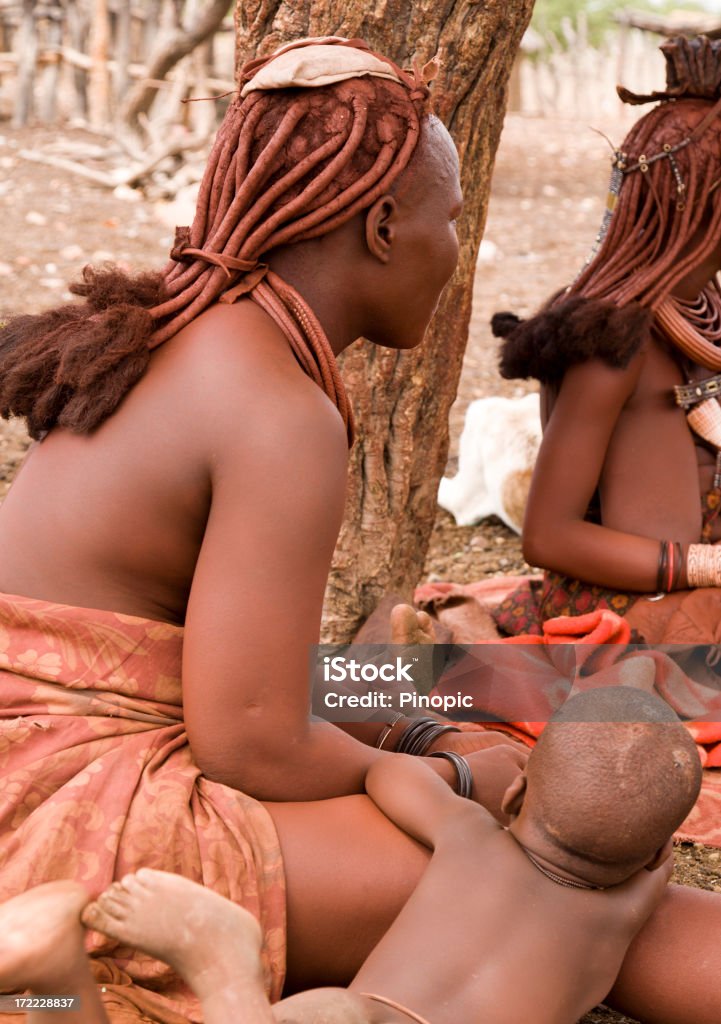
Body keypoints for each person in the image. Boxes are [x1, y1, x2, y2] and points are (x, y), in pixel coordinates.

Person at [0, 32, 720, 1024]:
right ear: (383, 225)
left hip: (45, 757)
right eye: (450, 218)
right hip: (70, 810)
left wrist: (419, 725)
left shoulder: (201, 335)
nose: (454, 249)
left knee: (433, 716)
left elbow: (246, 683)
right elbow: (250, 738)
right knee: (539, 883)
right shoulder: (275, 406)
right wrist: (454, 775)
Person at [0, 688, 701, 1024]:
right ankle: (53, 981)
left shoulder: (466, 838)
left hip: (347, 1014)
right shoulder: (624, 915)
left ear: (515, 794)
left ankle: (86, 978)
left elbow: (382, 776)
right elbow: (654, 861)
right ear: (650, 859)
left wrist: (441, 764)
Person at [491, 35, 721, 645]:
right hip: (636, 613)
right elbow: (548, 536)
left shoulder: (708, 309)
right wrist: (706, 567)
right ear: (699, 202)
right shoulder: (612, 340)